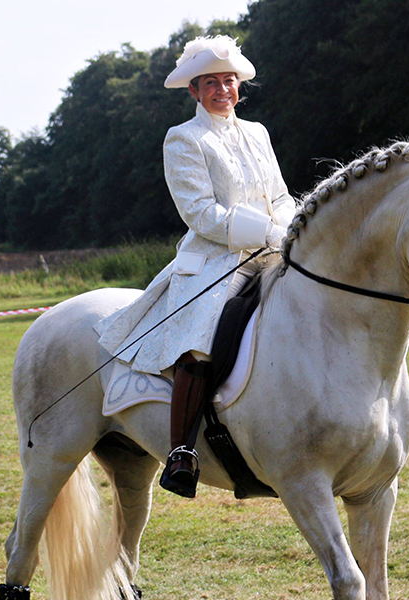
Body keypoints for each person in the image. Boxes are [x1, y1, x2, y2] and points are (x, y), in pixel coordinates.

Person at [94, 35, 297, 498]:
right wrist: (267, 232)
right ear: (194, 90)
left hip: (272, 249)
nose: (222, 90)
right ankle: (182, 451)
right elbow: (201, 213)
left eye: (228, 81)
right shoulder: (183, 138)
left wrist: (288, 229)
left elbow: (282, 195)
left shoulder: (259, 133)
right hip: (214, 260)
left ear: (238, 85)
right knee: (200, 343)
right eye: (211, 83)